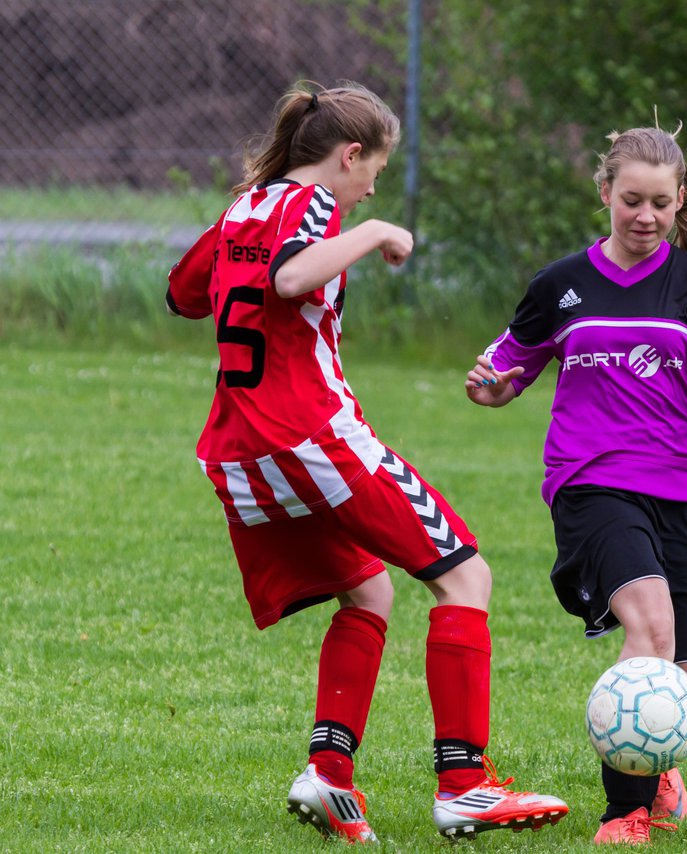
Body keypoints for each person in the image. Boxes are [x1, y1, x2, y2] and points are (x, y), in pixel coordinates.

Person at [165, 81, 568, 844]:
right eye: (372, 174)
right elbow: (289, 278)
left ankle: (328, 774)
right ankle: (465, 784)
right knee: (466, 576)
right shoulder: (312, 207)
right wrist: (375, 228)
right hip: (312, 439)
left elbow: (182, 296)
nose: (369, 189)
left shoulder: (242, 209)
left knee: (370, 594)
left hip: (238, 454)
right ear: (349, 156)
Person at [465, 123, 687, 844]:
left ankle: (656, 757)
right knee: (650, 628)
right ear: (605, 192)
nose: (646, 217)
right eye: (631, 200)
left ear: (680, 197)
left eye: (661, 202)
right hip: (593, 482)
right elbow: (508, 369)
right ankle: (624, 810)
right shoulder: (560, 286)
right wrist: (492, 389)